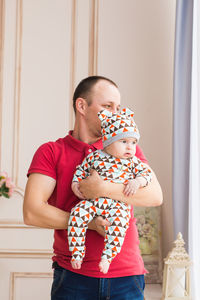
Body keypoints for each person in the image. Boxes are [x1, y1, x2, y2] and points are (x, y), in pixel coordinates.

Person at [23, 76, 163, 300]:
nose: (115, 113)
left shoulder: (127, 148)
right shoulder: (50, 151)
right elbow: (32, 212)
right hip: (72, 276)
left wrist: (101, 188)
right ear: (82, 106)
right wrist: (89, 224)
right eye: (108, 106)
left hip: (127, 275)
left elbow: (155, 196)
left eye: (118, 108)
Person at [68, 108, 152, 274]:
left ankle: (107, 257)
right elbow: (81, 170)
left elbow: (147, 174)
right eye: (124, 142)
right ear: (108, 141)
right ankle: (77, 253)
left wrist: (138, 181)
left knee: (120, 225)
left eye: (133, 142)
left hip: (118, 205)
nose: (130, 147)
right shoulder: (95, 157)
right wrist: (75, 184)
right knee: (76, 214)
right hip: (93, 202)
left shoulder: (134, 162)